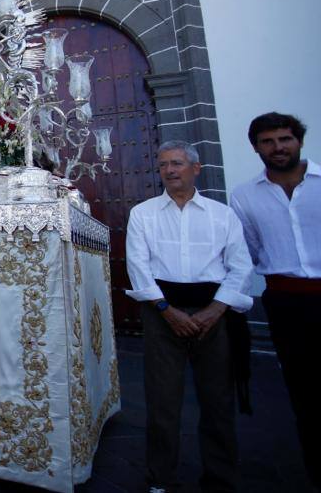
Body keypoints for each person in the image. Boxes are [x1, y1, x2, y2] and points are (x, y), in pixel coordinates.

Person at [125, 140, 253, 493]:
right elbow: (138, 266)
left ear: (196, 168)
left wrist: (216, 308)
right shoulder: (143, 213)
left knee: (218, 400)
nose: (170, 170)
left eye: (178, 163)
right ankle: (160, 477)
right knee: (162, 400)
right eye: (164, 163)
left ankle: (221, 477)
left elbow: (240, 265)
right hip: (162, 313)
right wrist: (167, 311)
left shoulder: (222, 215)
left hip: (215, 314)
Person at [230, 112, 321, 489]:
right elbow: (247, 251)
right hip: (286, 302)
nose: (277, 147)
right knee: (305, 390)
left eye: (284, 139)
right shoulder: (245, 195)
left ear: (299, 141)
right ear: (255, 148)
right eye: (267, 142)